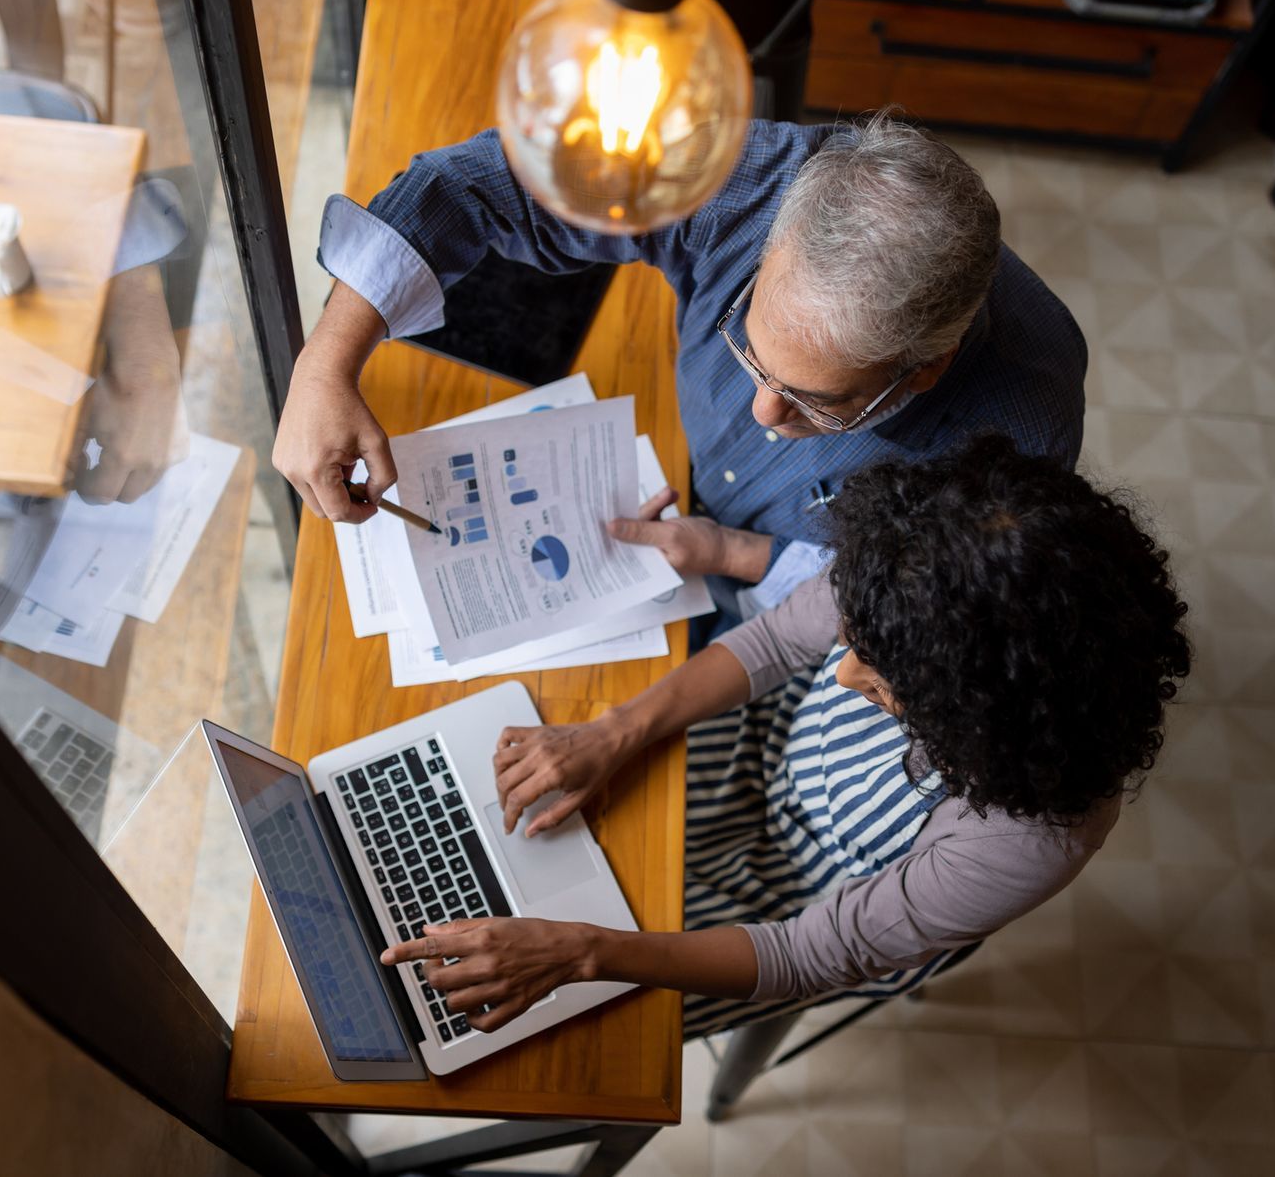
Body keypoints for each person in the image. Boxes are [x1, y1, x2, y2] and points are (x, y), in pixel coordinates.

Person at [380, 435, 1190, 1039]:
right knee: (519, 847)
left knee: (583, 1014)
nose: (842, 677)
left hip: (809, 903)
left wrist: (588, 951)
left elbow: (811, 950)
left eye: (879, 685)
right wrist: (612, 732)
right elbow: (775, 647)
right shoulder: (924, 566)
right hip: (766, 748)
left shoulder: (1033, 839)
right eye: (857, 652)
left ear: (977, 720)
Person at [274, 113, 1088, 625]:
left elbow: (912, 601)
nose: (766, 412)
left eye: (820, 403)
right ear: (772, 239)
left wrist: (735, 557)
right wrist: (326, 363)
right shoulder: (752, 182)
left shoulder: (1024, 427)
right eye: (750, 349)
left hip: (771, 594)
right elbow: (473, 186)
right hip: (658, 470)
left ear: (925, 369)